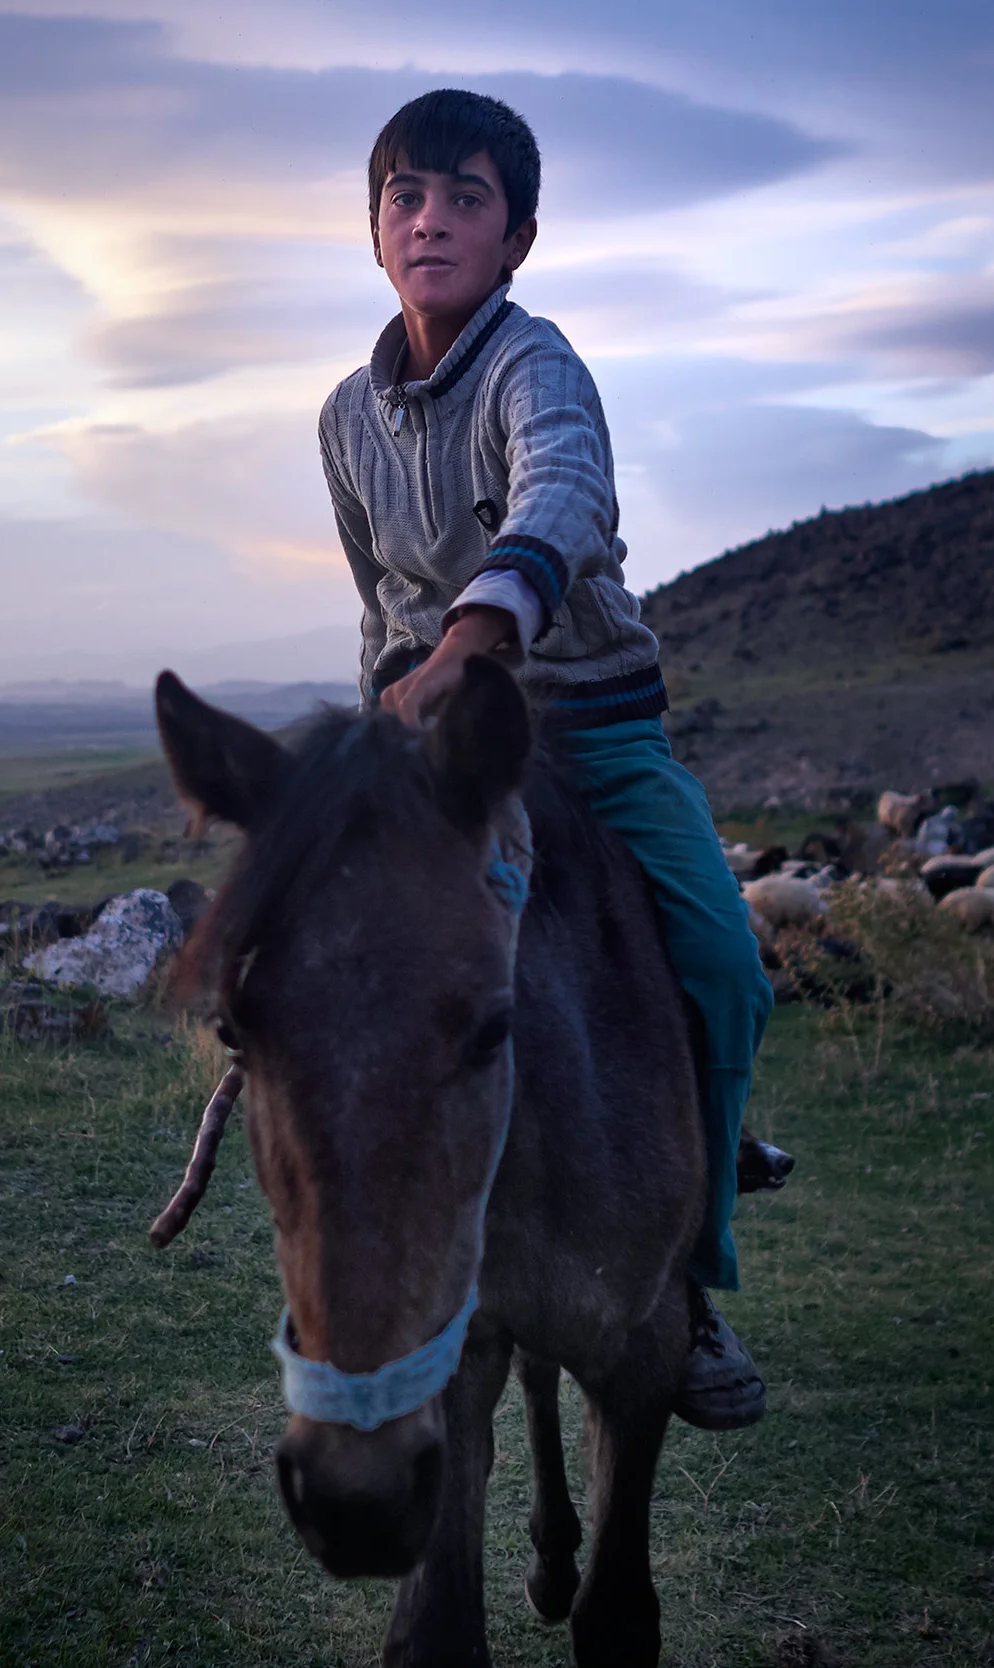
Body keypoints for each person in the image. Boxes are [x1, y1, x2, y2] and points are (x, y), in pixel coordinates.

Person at [319, 88, 776, 1430]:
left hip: (592, 725)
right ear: (374, 228)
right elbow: (378, 610)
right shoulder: (346, 416)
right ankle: (367, 1255)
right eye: (407, 196)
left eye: (467, 199)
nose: (432, 220)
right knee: (316, 965)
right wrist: (381, 736)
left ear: (516, 237)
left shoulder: (538, 367)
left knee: (724, 965)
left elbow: (562, 495)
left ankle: (691, 1274)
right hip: (444, 748)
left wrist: (481, 634)